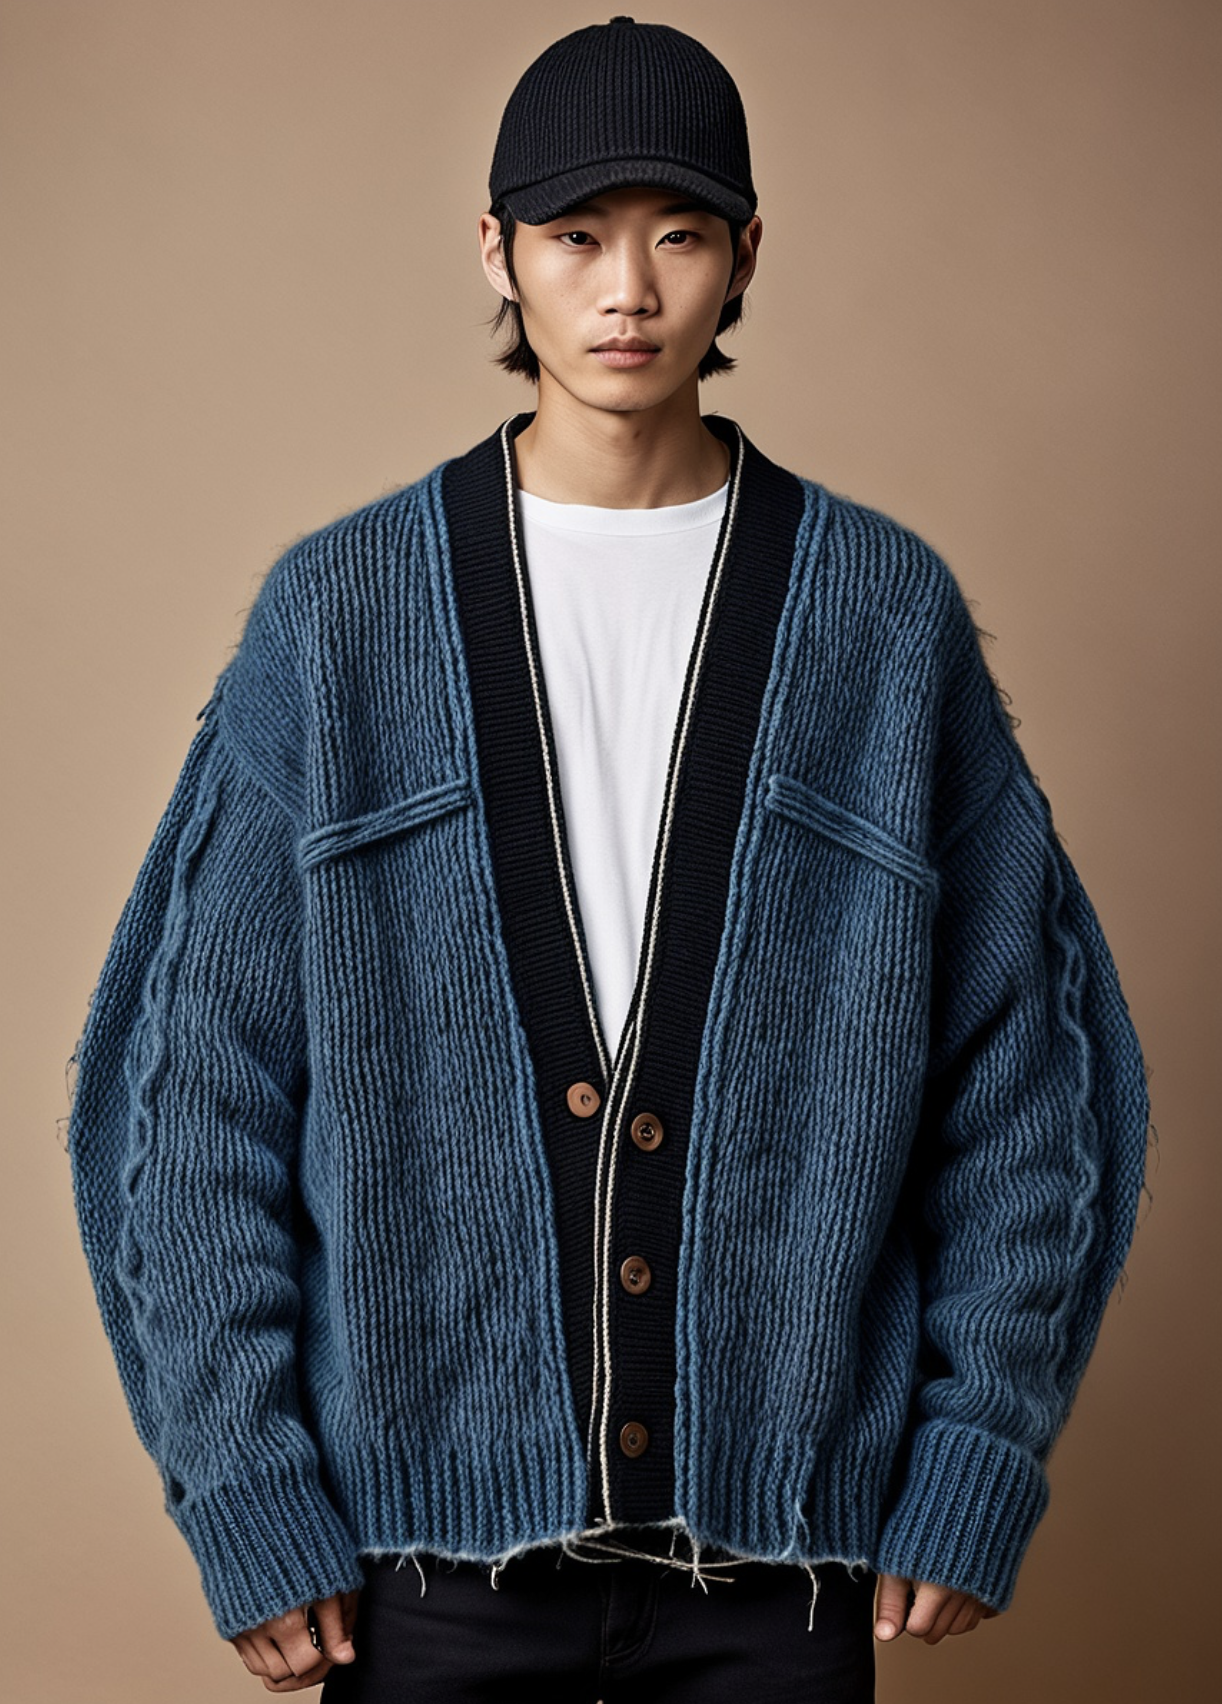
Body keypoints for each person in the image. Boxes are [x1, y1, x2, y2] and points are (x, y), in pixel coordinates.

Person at [66, 16, 1151, 1701]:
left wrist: (976, 1447)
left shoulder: (878, 619)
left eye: (677, 233)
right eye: (575, 236)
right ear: (496, 251)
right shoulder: (341, 619)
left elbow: (1030, 1075)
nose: (626, 289)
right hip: (420, 1576)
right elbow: (189, 1092)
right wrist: (242, 1485)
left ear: (743, 258)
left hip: (777, 1579)